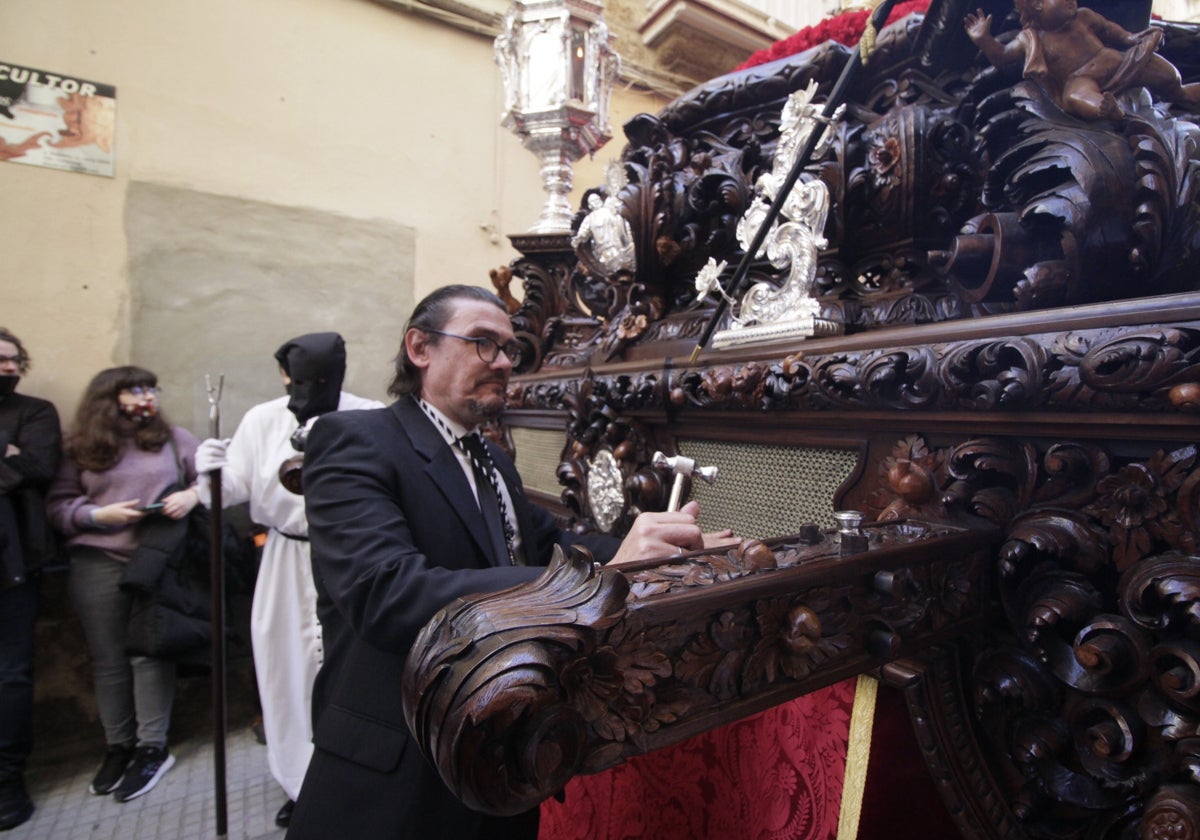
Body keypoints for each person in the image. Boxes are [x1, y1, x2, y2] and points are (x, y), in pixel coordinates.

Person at [286, 285, 731, 840]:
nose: (501, 362)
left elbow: (551, 542)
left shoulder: (491, 457)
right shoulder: (355, 439)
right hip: (396, 769)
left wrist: (652, 552)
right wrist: (597, 580)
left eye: (508, 350)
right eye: (482, 343)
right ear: (419, 347)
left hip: (499, 755)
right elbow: (387, 592)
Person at [193, 332, 382, 828]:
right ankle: (299, 782)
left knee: (349, 669)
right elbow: (229, 490)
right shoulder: (262, 419)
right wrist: (208, 473)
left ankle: (350, 775)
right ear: (284, 375)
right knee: (285, 671)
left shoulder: (369, 412)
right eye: (299, 376)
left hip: (351, 555)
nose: (310, 386)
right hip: (285, 557)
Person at [46, 366, 201, 803]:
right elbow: (58, 505)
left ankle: (153, 747)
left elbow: (214, 477)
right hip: (97, 561)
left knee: (148, 653)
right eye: (134, 390)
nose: (145, 397)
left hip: (159, 560)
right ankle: (119, 747)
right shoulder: (78, 446)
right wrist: (96, 515)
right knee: (108, 658)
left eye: (150, 388)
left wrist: (192, 496)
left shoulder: (173, 438)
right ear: (107, 398)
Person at [0, 329, 61, 831]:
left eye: (14, 358)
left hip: (13, 562)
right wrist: (6, 455)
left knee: (10, 676)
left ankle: (7, 781)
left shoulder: (35, 413)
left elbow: (39, 468)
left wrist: (19, 458)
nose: (7, 366)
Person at [965, 1, 1200, 121]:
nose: (1071, 1)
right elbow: (1002, 58)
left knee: (1169, 77)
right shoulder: (1030, 39)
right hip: (1080, 79)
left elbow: (1110, 30)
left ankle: (1183, 93)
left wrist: (1132, 38)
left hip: (1116, 62)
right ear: (1036, 6)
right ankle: (1107, 110)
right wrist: (984, 39)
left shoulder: (1083, 17)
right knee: (1076, 97)